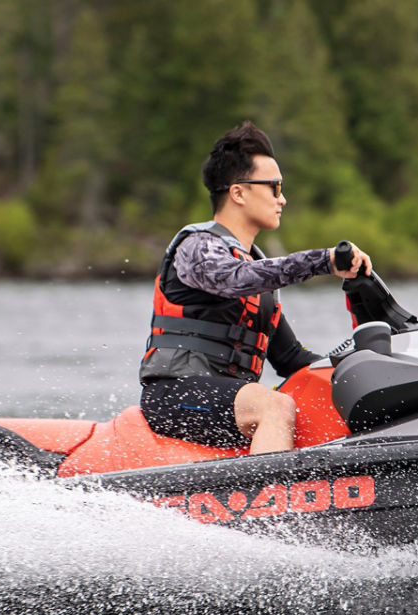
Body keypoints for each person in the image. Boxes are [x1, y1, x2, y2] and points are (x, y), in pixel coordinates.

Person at [139, 121, 371, 454]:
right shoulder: (197, 248)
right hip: (175, 395)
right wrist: (323, 261)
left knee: (315, 403)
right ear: (238, 192)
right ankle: (272, 504)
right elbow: (233, 278)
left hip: (228, 400)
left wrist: (359, 372)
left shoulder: (258, 277)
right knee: (276, 406)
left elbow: (292, 358)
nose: (283, 199)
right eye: (275, 187)